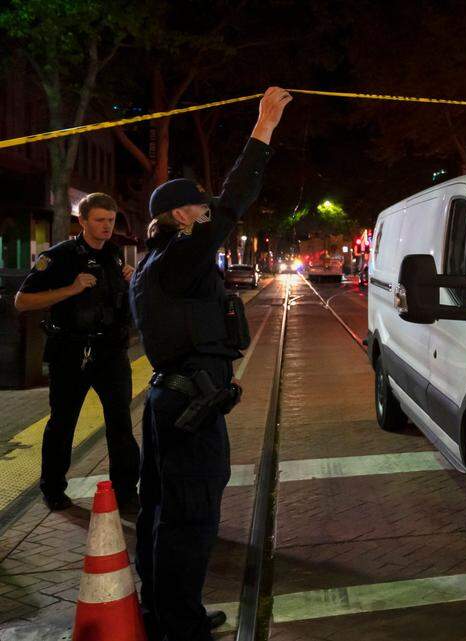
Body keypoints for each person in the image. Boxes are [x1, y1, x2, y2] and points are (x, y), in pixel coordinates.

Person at [130, 86, 291, 641]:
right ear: (180, 214)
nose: (208, 214)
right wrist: (263, 128)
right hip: (187, 405)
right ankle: (180, 624)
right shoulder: (179, 254)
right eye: (199, 208)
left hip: (169, 400)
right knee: (190, 514)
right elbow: (233, 201)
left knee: (160, 507)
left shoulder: (151, 266)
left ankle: (163, 612)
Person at [14, 193, 140, 513]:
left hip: (111, 350)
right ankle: (53, 489)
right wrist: (70, 289)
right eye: (99, 220)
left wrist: (132, 280)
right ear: (82, 221)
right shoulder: (60, 257)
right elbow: (22, 301)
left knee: (121, 423)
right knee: (63, 422)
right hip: (70, 351)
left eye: (110, 220)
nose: (106, 226)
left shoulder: (115, 257)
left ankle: (126, 492)